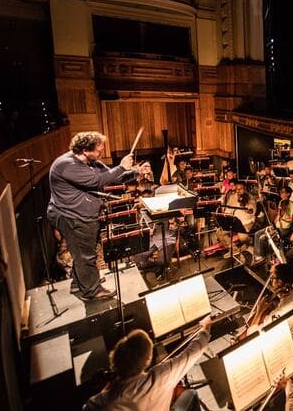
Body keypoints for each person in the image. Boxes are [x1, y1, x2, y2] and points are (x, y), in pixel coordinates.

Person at [47, 131, 139, 301]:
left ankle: (80, 283)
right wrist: (121, 166)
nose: (100, 153)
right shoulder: (67, 165)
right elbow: (96, 182)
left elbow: (111, 178)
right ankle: (91, 291)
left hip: (81, 215)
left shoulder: (91, 162)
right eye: (98, 150)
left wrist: (135, 172)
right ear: (85, 150)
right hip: (72, 217)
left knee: (82, 252)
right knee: (85, 254)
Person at [84, 315, 213, 410]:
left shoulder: (99, 403)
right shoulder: (160, 377)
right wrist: (205, 328)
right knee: (191, 394)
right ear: (147, 360)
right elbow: (194, 351)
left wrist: (106, 390)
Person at [238, 263, 293, 338]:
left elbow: (252, 335)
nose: (270, 280)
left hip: (288, 337)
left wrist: (259, 311)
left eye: (272, 277)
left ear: (280, 282)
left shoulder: (279, 314)